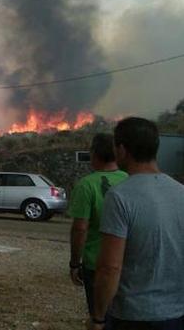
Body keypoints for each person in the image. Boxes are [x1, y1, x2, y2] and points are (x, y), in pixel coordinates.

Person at [90, 117, 184, 330]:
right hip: (177, 314)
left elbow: (109, 267)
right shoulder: (181, 192)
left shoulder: (120, 196)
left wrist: (98, 317)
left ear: (122, 150)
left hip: (134, 315)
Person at [67, 133, 127, 319]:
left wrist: (75, 263)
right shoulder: (130, 179)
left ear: (94, 154)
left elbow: (80, 229)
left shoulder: (86, 185)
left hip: (97, 263)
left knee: (100, 315)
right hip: (127, 261)